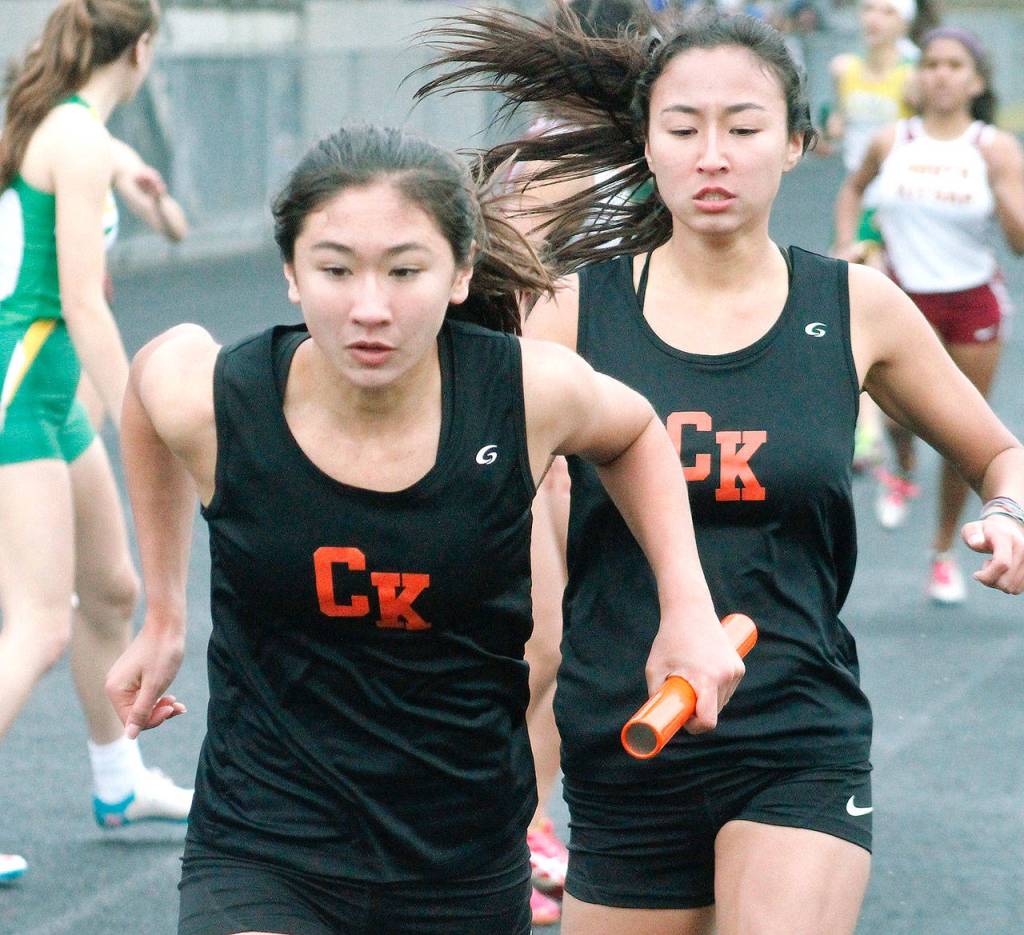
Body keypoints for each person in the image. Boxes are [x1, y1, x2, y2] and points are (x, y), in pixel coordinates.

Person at [417, 9, 1024, 933]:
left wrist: (1011, 509)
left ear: (795, 144)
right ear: (648, 145)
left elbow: (999, 453)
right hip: (625, 734)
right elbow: (461, 491)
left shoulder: (855, 306)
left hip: (796, 727)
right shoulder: (574, 315)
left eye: (743, 128)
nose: (713, 154)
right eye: (683, 128)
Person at [103, 123, 746, 935]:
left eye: (405, 271)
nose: (370, 308)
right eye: (335, 269)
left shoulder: (523, 393)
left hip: (461, 854)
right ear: (291, 275)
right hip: (266, 841)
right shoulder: (221, 401)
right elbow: (150, 374)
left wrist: (684, 606)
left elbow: (633, 433)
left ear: (460, 272)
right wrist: (162, 613)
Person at [0, 0, 192, 884]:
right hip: (20, 390)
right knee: (39, 623)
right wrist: (139, 417)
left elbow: (136, 185)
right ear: (143, 49)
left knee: (111, 590)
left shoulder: (74, 129)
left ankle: (119, 781)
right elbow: (81, 300)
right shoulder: (73, 142)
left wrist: (147, 193)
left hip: (46, 393)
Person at [835, 26, 1024, 603]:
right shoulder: (894, 140)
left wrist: (1005, 188)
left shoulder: (992, 147)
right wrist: (847, 242)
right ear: (920, 76)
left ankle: (942, 550)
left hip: (971, 302)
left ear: (976, 80)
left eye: (954, 65)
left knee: (966, 433)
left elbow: (1018, 241)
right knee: (898, 416)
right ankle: (904, 464)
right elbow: (851, 190)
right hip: (902, 300)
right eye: (933, 63)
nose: (941, 73)